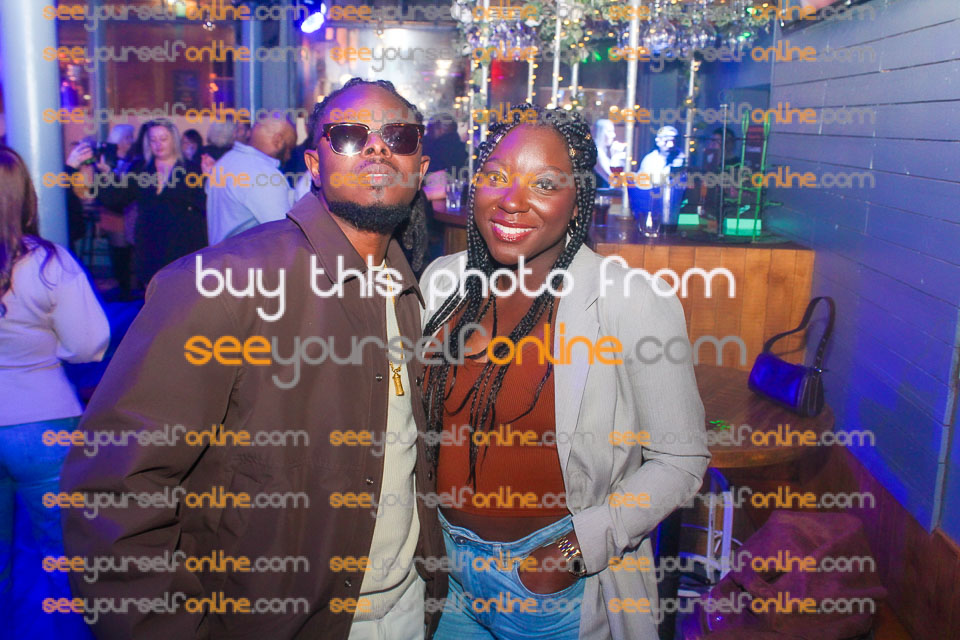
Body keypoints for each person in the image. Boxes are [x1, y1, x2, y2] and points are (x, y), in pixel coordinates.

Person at [61, 78, 447, 639]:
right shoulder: (223, 284)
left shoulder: (410, 292)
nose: (376, 147)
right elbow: (113, 492)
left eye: (399, 136)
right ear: (313, 164)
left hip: (409, 610)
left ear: (420, 166)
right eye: (349, 135)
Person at [418, 105, 709, 639]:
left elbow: (680, 460)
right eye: (496, 176)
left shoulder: (627, 299)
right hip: (444, 573)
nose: (512, 200)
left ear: (578, 202)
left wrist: (575, 550)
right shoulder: (442, 283)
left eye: (545, 183)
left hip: (547, 589)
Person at [0, 146, 109, 639]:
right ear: (25, 197)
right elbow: (89, 343)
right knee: (63, 556)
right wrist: (48, 351)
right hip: (42, 419)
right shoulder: (47, 264)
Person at [77, 118, 207, 286]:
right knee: (152, 293)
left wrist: (210, 179)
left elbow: (203, 207)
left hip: (181, 243)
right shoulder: (141, 168)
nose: (158, 144)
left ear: (174, 140)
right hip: (149, 242)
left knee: (180, 294)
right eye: (153, 140)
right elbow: (117, 198)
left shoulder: (191, 170)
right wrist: (105, 175)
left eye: (163, 139)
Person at [205, 114, 297, 245]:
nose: (289, 156)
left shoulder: (225, 161)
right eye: (289, 149)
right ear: (278, 141)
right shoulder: (264, 175)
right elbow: (285, 235)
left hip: (219, 255)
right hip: (243, 256)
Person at [637, 125, 687, 235]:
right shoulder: (650, 160)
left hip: (672, 212)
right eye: (666, 141)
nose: (671, 145)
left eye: (673, 140)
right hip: (651, 209)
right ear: (658, 141)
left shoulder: (680, 157)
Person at [592, 118, 626, 189]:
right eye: (609, 131)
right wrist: (616, 157)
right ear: (600, 133)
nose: (614, 135)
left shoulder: (601, 152)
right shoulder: (597, 153)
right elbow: (614, 182)